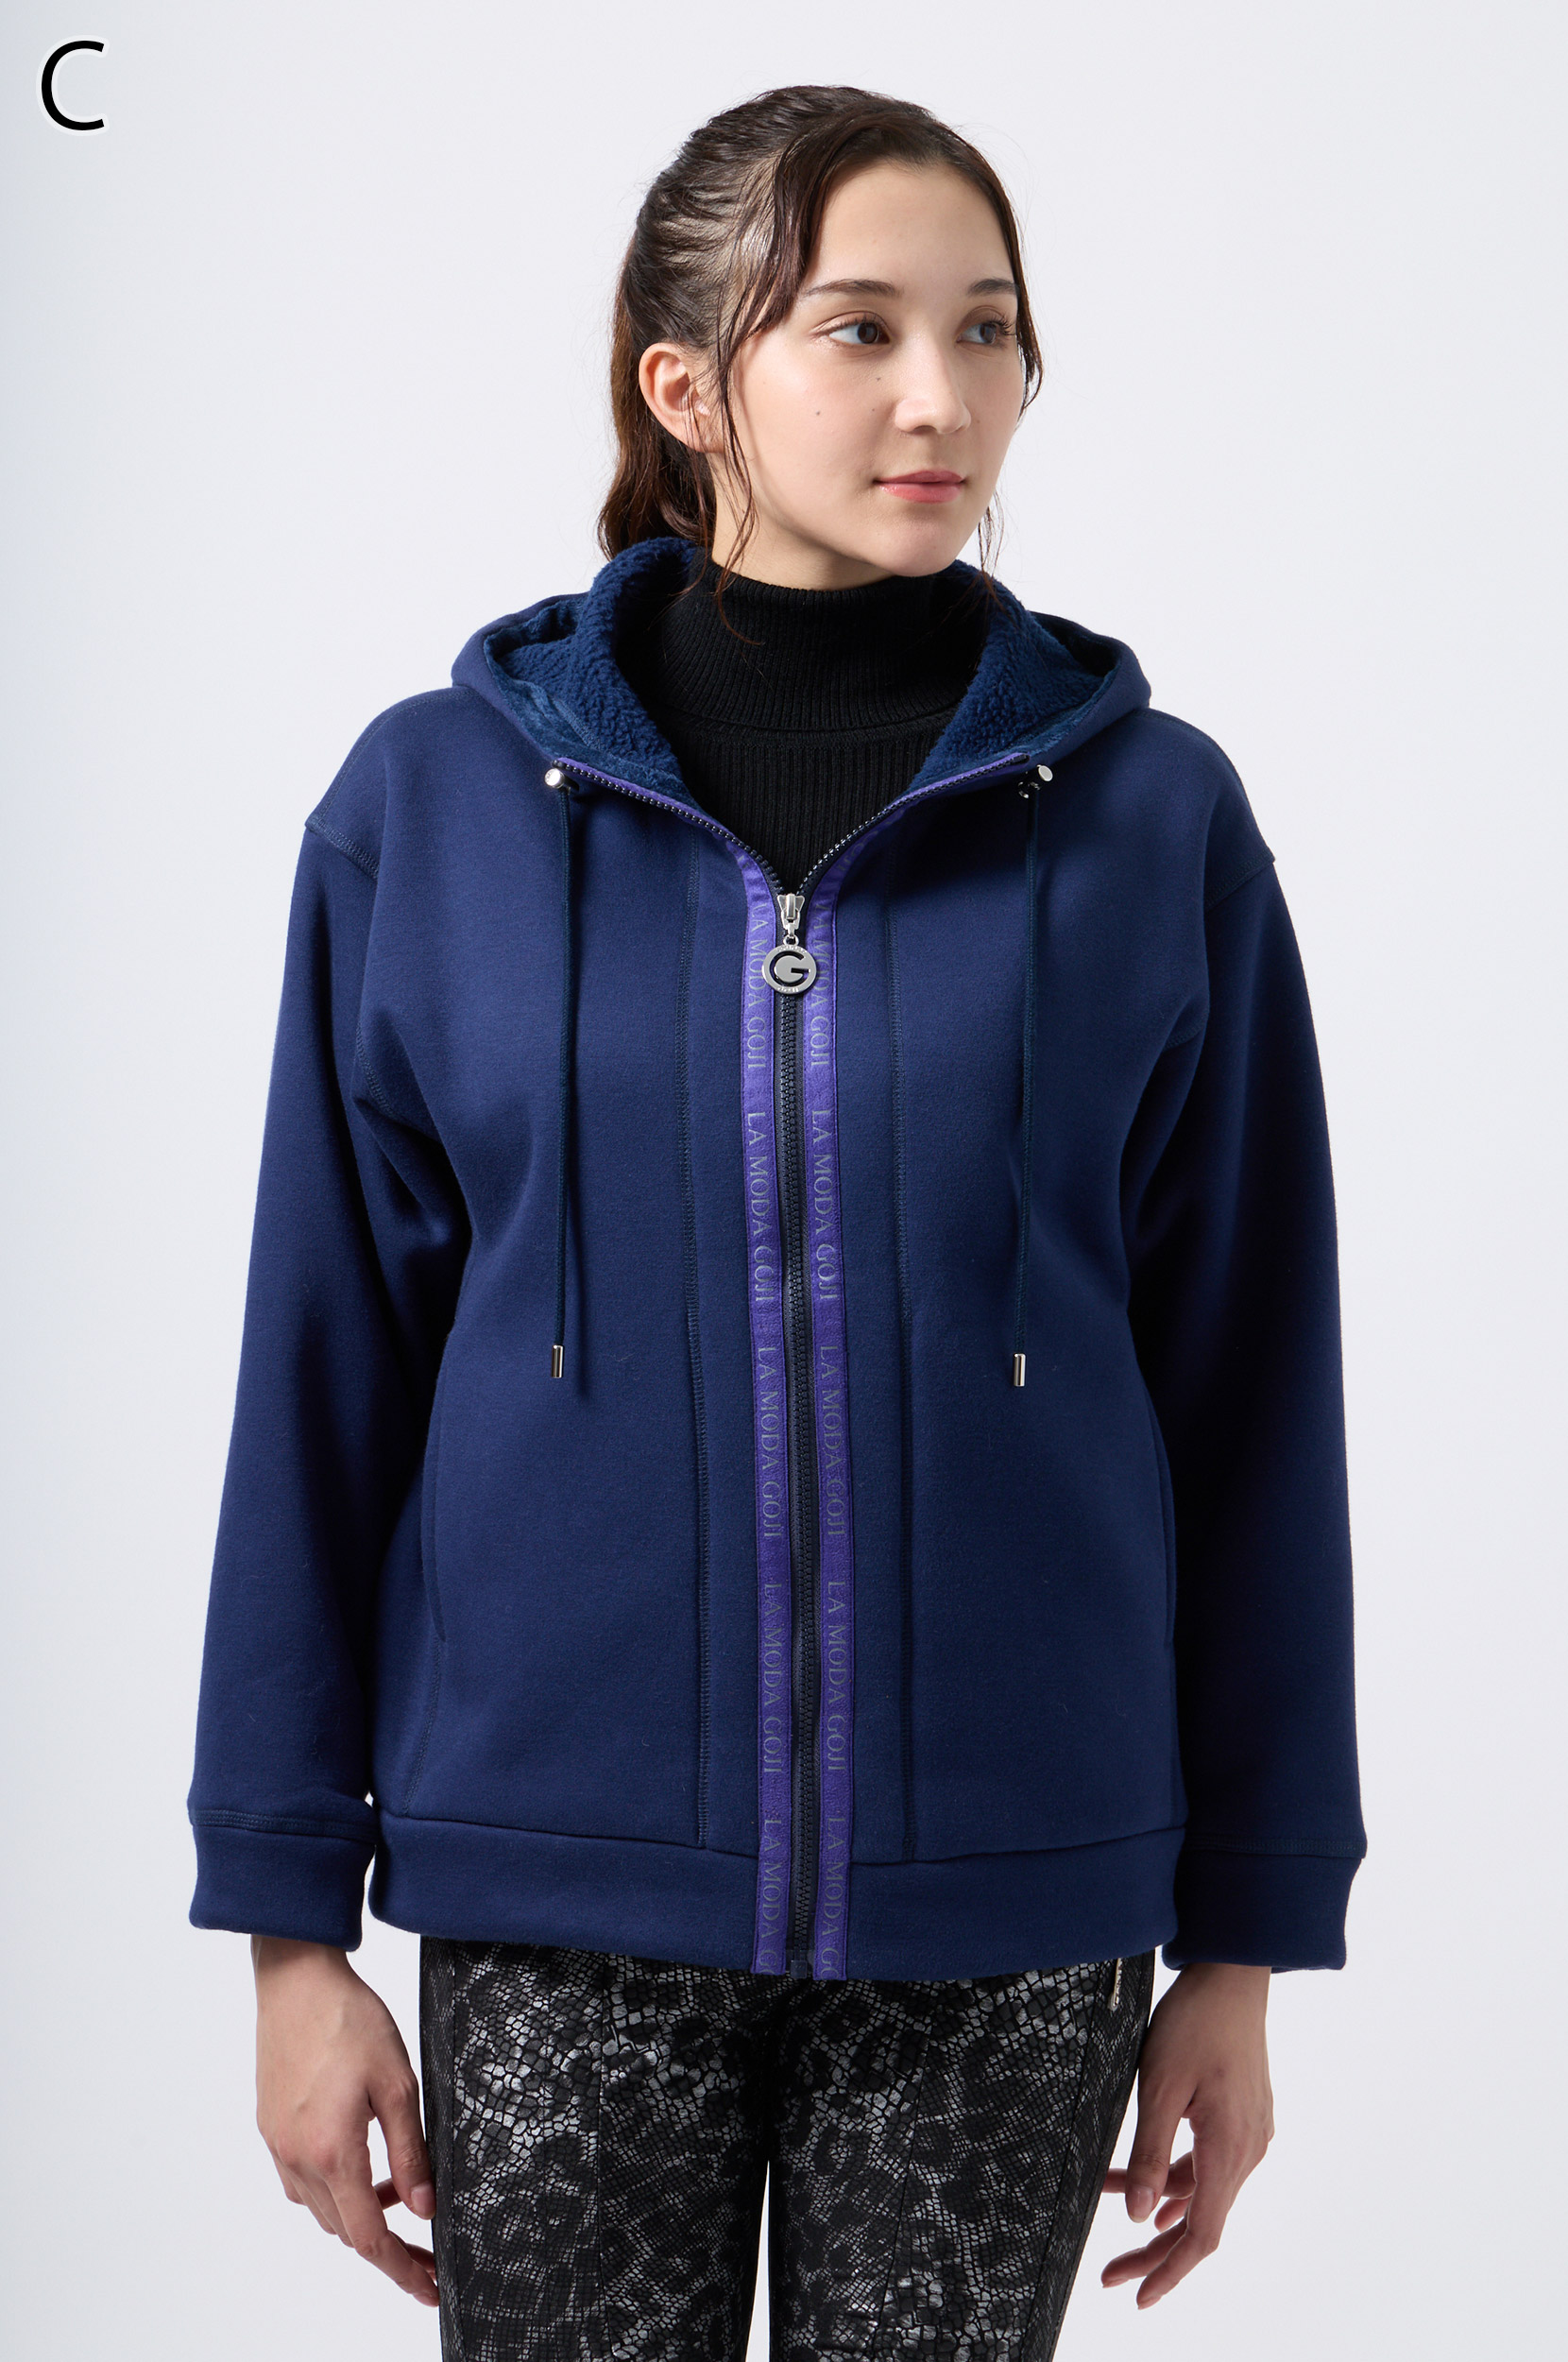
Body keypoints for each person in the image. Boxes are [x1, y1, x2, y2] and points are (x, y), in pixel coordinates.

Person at [188, 83, 1367, 2360]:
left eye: (986, 328)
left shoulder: (1149, 820)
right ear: (686, 383)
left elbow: (1248, 1397)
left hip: (1007, 1913)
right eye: (858, 327)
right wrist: (285, 1924)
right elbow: (319, 1374)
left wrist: (1241, 1933)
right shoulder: (434, 808)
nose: (942, 396)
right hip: (556, 1893)